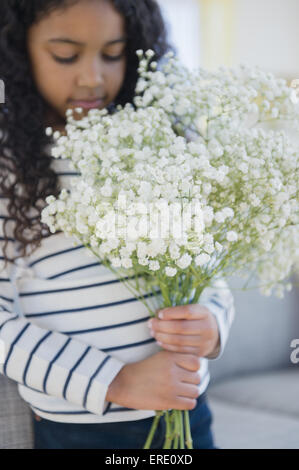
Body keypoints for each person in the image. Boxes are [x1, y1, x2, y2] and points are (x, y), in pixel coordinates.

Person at [0, 0, 235, 449]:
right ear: (16, 52)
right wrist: (116, 381)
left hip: (185, 413)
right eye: (65, 55)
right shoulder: (9, 168)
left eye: (113, 54)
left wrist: (212, 325)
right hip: (79, 427)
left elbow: (210, 267)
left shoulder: (161, 143)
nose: (93, 77)